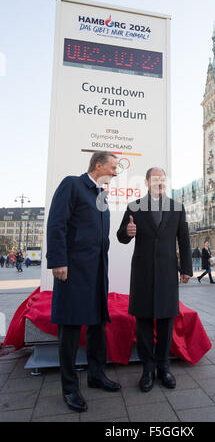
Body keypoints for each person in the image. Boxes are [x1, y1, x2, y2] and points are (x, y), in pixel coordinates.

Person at [46, 151, 121, 412]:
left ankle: (96, 375)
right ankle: (69, 388)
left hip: (97, 271)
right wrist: (57, 260)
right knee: (69, 328)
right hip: (73, 269)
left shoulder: (102, 196)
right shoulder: (72, 184)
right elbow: (57, 223)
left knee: (97, 323)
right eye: (113, 167)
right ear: (98, 165)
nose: (116, 172)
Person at [117, 167, 192, 392]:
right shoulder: (134, 207)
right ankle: (147, 370)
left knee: (167, 323)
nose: (160, 183)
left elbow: (184, 240)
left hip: (168, 273)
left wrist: (186, 268)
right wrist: (127, 232)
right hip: (143, 274)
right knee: (144, 324)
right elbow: (121, 236)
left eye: (163, 179)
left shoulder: (177, 208)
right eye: (155, 179)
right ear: (147, 182)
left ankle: (163, 368)